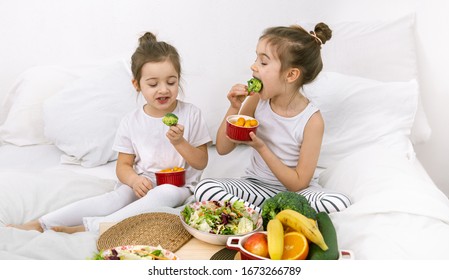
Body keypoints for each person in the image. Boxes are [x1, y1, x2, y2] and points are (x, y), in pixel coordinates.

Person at [10, 32, 211, 234]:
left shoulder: (191, 114)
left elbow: (201, 162)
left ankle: (92, 227)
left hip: (180, 188)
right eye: (152, 84)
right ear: (137, 85)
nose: (163, 90)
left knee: (164, 193)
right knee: (115, 199)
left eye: (171, 82)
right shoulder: (131, 122)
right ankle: (42, 223)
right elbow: (123, 166)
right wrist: (134, 180)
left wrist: (179, 143)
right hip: (144, 182)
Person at [194, 23, 351, 213]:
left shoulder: (312, 120)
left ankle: (256, 215)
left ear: (291, 74)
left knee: (337, 202)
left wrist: (261, 147)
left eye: (263, 62)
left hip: (295, 194)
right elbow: (222, 148)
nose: (253, 66)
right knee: (205, 188)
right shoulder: (256, 100)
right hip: (255, 187)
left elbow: (299, 183)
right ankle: (267, 216)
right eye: (256, 58)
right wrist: (234, 108)